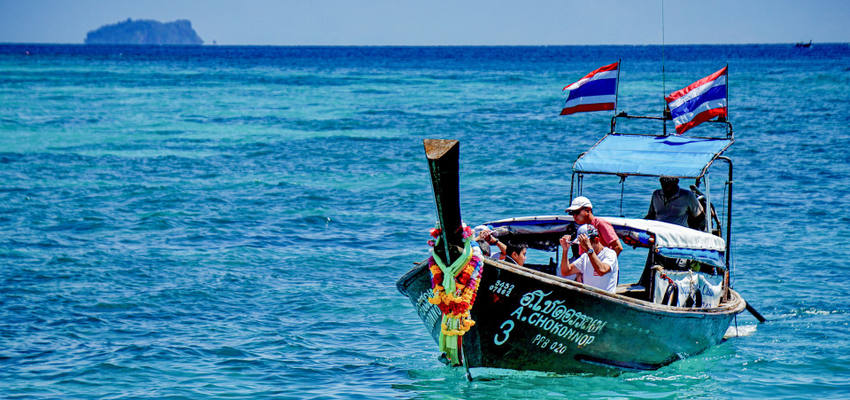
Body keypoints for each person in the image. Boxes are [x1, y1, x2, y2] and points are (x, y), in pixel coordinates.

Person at [557, 224, 619, 292]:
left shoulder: (610, 254)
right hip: (590, 297)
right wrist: (565, 250)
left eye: (585, 244)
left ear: (596, 240)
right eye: (581, 244)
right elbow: (566, 271)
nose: (582, 247)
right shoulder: (585, 257)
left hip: (605, 298)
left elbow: (601, 270)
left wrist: (589, 249)